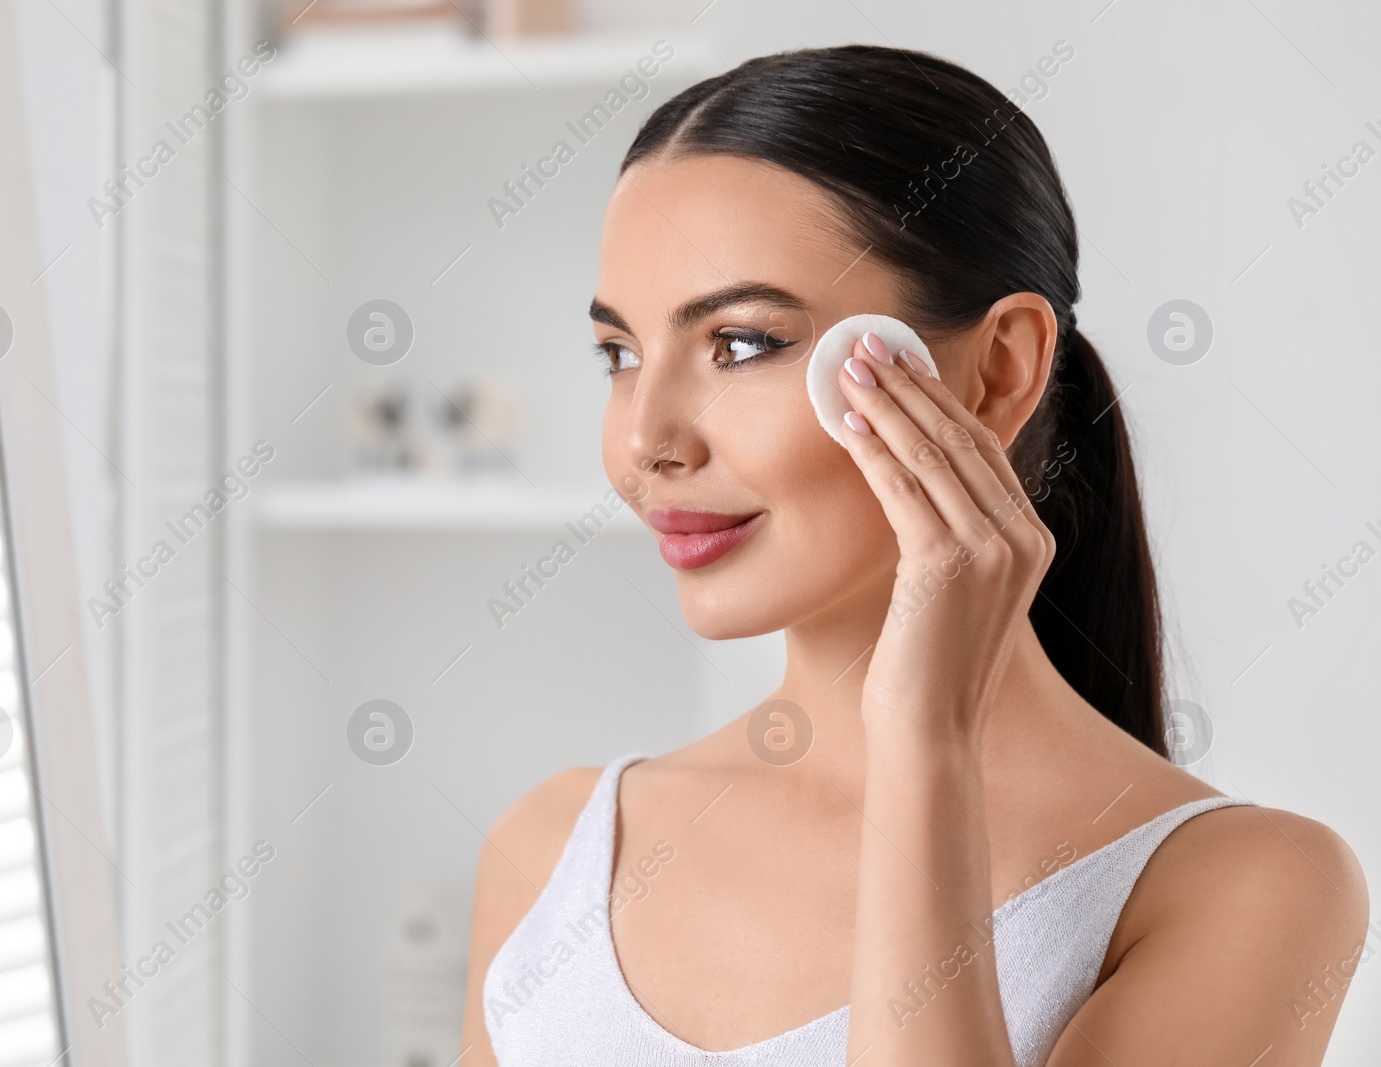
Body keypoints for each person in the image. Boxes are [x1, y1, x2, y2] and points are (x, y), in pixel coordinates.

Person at [458, 45, 1367, 1066]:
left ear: (996, 370)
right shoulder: (554, 853)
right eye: (619, 355)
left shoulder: (1243, 884)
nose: (645, 441)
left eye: (741, 343)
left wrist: (922, 741)